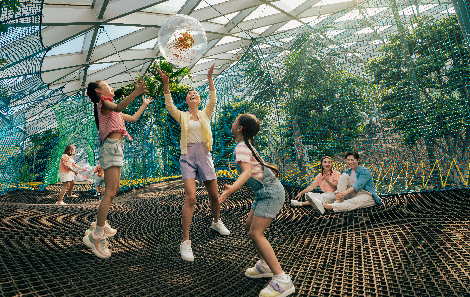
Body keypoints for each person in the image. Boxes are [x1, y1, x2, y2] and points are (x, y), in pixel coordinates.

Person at [158, 63, 230, 262]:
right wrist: (166, 85)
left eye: (196, 93)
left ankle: (216, 221)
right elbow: (169, 106)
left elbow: (213, 99)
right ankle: (186, 242)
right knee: (190, 197)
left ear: (199, 99)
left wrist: (209, 80)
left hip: (204, 155)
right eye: (189, 93)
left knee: (214, 196)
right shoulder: (182, 116)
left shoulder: (205, 113)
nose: (192, 94)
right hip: (188, 156)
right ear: (187, 100)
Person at [219, 114, 295, 297]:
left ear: (240, 128)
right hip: (263, 193)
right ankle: (265, 265)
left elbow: (245, 173)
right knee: (249, 226)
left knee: (255, 233)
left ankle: (282, 280)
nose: (232, 122)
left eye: (235, 121)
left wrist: (231, 190)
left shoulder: (241, 147)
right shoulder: (246, 144)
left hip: (270, 193)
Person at [84, 79, 152, 258]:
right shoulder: (103, 103)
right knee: (110, 192)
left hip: (116, 148)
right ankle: (96, 236)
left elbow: (134, 117)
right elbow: (118, 107)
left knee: (113, 190)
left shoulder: (113, 111)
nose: (112, 87)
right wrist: (135, 93)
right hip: (112, 147)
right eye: (108, 84)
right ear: (99, 91)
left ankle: (99, 225)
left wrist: (143, 104)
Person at [307, 151, 382, 214]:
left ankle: (324, 206)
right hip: (350, 194)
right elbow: (342, 184)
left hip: (366, 195)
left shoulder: (365, 171)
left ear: (357, 160)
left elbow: (357, 185)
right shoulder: (347, 172)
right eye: (348, 160)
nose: (350, 162)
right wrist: (340, 194)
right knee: (344, 176)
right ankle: (338, 201)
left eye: (352, 160)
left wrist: (344, 193)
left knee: (352, 202)